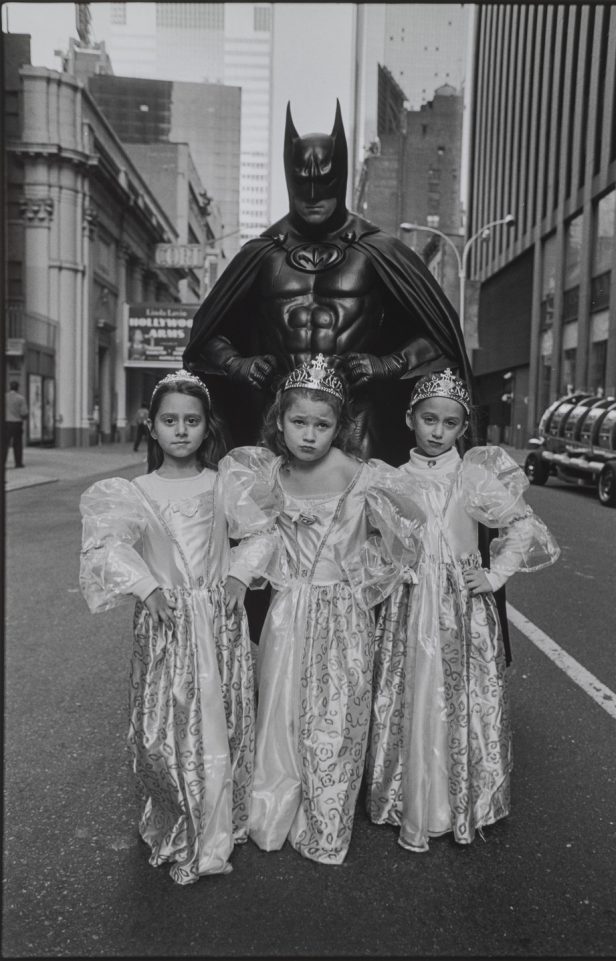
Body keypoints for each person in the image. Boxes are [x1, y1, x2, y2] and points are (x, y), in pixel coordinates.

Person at [183, 101, 472, 466]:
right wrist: (237, 363)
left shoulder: (375, 250)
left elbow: (439, 334)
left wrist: (390, 363)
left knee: (358, 515)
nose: (314, 192)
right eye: (304, 181)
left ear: (343, 174)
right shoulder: (263, 254)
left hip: (356, 420)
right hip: (279, 420)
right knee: (268, 517)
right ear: (290, 177)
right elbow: (206, 335)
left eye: (325, 179)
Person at [223, 355, 425, 865]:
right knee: (281, 707)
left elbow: (403, 538)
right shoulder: (267, 475)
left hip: (344, 612)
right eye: (299, 423)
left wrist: (363, 578)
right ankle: (272, 807)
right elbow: (256, 537)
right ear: (279, 421)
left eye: (322, 424)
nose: (309, 436)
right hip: (289, 611)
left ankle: (325, 818)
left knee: (335, 714)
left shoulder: (364, 476)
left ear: (341, 426)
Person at [79, 370, 277, 885]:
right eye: (170, 420)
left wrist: (238, 573)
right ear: (152, 426)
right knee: (168, 726)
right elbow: (107, 546)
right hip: (167, 625)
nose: (181, 431)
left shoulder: (221, 485)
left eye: (192, 421)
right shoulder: (136, 491)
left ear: (207, 427)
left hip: (216, 622)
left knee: (219, 717)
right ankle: (177, 814)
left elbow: (261, 533)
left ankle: (215, 822)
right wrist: (146, 586)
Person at [366, 369, 560, 852]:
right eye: (429, 419)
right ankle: (406, 794)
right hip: (410, 605)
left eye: (449, 423)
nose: (437, 431)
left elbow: (520, 526)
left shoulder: (472, 476)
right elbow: (374, 542)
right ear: (410, 418)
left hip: (460, 606)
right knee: (410, 689)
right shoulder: (392, 478)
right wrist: (394, 567)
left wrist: (493, 577)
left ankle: (459, 799)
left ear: (462, 428)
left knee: (458, 695)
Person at [5, 380, 28, 468]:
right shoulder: (20, 398)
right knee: (17, 443)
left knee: (4, 443)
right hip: (17, 423)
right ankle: (18, 463)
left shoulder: (4, 397)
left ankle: (2, 462)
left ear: (10, 387)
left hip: (6, 423)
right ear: (18, 388)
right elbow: (24, 413)